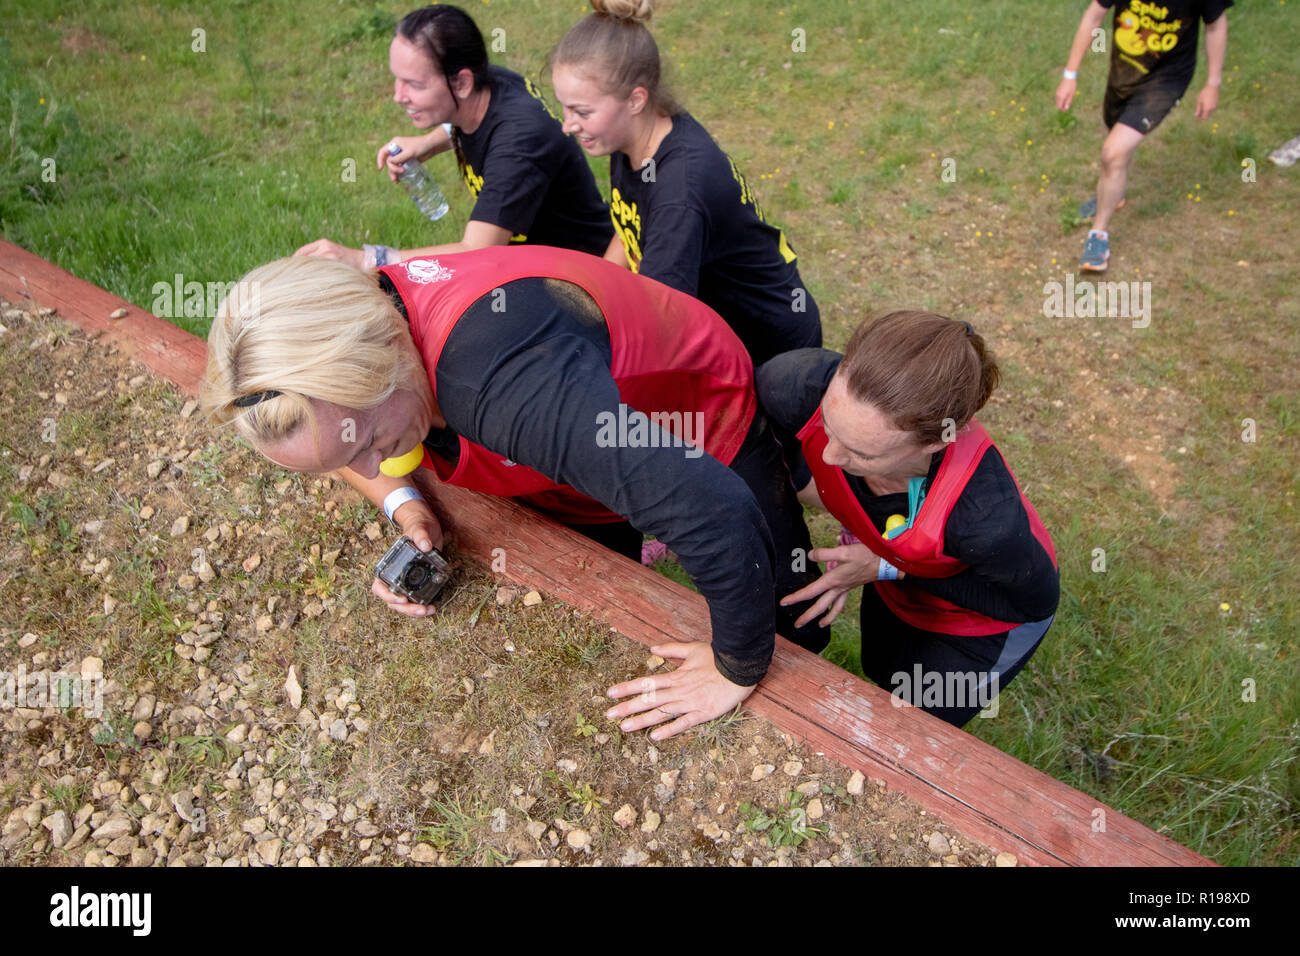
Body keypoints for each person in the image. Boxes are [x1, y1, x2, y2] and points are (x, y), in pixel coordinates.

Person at [200, 246, 829, 740]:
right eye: (345, 459)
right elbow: (346, 439)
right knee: (609, 530)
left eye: (368, 441)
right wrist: (403, 501)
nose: (381, 464)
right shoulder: (354, 329)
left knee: (782, 615)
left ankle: (815, 676)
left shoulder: (502, 389)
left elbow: (714, 509)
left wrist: (736, 667)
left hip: (696, 409)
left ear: (388, 352)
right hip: (582, 421)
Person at [757, 312, 1059, 727]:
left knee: (912, 724)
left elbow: (1033, 603)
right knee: (882, 670)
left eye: (862, 454)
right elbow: (748, 439)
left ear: (937, 440)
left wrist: (887, 564)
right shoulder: (797, 385)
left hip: (981, 621)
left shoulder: (986, 524)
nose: (829, 457)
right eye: (828, 424)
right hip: (901, 580)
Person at [550, 0, 821, 367]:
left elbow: (659, 327)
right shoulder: (634, 135)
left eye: (582, 112)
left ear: (635, 99)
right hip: (719, 325)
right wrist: (590, 296)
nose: (568, 125)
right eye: (565, 108)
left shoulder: (679, 192)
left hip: (767, 351)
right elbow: (630, 225)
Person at [297, 4, 613, 270]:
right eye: (397, 80)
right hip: (528, 265)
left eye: (414, 85)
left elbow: (476, 252)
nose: (398, 96)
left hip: (579, 278)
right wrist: (426, 144)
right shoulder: (491, 85)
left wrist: (367, 258)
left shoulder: (519, 143)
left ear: (461, 82)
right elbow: (462, 123)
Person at [1056, 0, 1230, 272]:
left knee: (1113, 152)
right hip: (1124, 73)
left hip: (1167, 80)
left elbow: (1215, 24)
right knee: (1114, 139)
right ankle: (1114, 194)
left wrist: (1212, 83)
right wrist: (1070, 74)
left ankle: (1098, 237)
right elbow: (1094, 15)